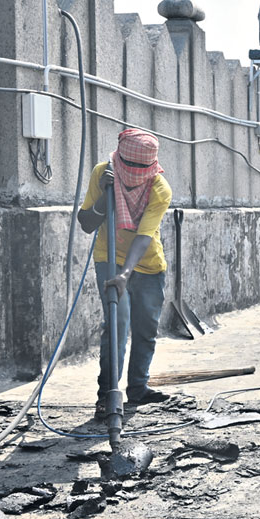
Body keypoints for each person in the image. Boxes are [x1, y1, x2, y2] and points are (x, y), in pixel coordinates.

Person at [77, 129, 174, 418]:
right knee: (116, 326)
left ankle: (138, 389)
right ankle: (107, 395)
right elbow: (85, 223)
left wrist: (126, 275)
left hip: (147, 264)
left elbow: (144, 237)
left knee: (146, 330)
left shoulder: (159, 188)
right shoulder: (103, 173)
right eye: (128, 167)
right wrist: (102, 201)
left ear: (151, 166)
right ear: (119, 159)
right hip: (108, 258)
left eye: (141, 169)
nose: (133, 174)